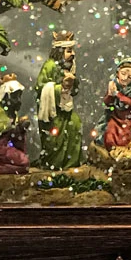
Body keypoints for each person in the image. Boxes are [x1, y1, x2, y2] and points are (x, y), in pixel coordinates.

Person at [35, 31, 82, 170]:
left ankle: (70, 162)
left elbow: (74, 89)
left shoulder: (70, 66)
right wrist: (59, 88)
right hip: (52, 109)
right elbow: (40, 87)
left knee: (75, 123)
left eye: (72, 50)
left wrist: (72, 83)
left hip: (65, 108)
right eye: (69, 51)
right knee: (55, 135)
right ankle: (54, 163)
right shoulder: (50, 65)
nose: (73, 54)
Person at [99, 58, 131, 150]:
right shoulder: (114, 85)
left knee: (125, 139)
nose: (124, 78)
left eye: (130, 77)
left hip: (130, 120)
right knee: (110, 135)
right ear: (118, 73)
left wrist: (117, 94)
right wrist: (110, 95)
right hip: (115, 118)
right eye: (123, 74)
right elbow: (107, 103)